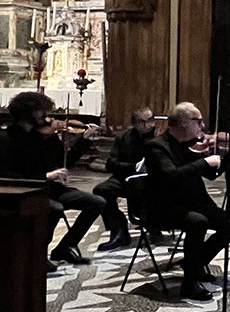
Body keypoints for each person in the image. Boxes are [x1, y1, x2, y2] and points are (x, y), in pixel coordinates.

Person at [143, 102, 230, 300]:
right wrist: (203, 162)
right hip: (164, 207)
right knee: (197, 222)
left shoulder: (188, 145)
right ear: (182, 122)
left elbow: (211, 174)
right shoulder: (157, 147)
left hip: (192, 204)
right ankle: (189, 284)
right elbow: (170, 176)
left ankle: (195, 263)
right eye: (197, 121)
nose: (202, 126)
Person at [0, 91, 108, 268]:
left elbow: (64, 163)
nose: (46, 116)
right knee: (54, 208)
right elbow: (8, 175)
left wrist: (84, 141)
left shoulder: (44, 138)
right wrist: (46, 176)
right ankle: (37, 254)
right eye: (41, 111)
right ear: (29, 113)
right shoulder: (7, 139)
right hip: (27, 194)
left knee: (96, 202)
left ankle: (64, 248)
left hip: (51, 190)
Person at [91, 106, 157, 251]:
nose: (147, 125)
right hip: (125, 177)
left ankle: (153, 224)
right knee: (101, 190)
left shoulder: (159, 137)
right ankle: (118, 229)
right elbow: (110, 163)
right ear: (134, 123)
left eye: (150, 121)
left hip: (150, 181)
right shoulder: (124, 137)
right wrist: (133, 167)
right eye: (142, 122)